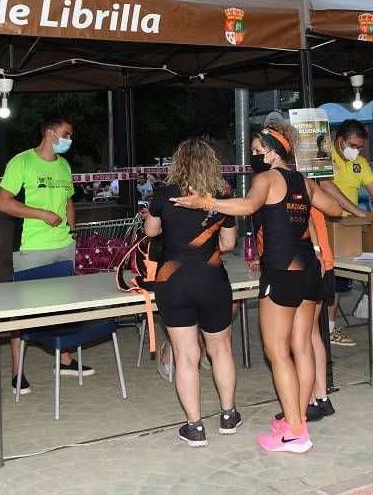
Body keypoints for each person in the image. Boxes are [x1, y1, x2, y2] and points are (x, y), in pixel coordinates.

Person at [173, 122, 341, 453]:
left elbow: (247, 207)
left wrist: (205, 202)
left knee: (277, 352)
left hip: (281, 273)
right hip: (309, 270)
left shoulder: (265, 179)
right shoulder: (303, 182)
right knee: (302, 347)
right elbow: (333, 209)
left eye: (257, 149)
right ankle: (300, 419)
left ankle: (295, 433)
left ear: (274, 150)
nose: (253, 154)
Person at [144, 138, 241, 447]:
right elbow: (228, 245)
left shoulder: (164, 194)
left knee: (186, 356)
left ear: (178, 163)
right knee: (221, 350)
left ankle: (195, 427)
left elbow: (150, 232)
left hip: (172, 281)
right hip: (212, 279)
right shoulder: (222, 196)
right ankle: (228, 416)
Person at [0, 115, 93, 395]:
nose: (69, 140)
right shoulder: (22, 162)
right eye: (66, 134)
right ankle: (17, 373)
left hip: (63, 247)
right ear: (50, 133)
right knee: (24, 312)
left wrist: (72, 231)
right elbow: (3, 203)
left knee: (65, 307)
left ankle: (64, 360)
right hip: (32, 247)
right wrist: (40, 214)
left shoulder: (64, 165)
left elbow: (68, 201)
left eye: (71, 135)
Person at [319, 120, 373, 342]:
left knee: (338, 281)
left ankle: (329, 329)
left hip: (348, 229)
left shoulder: (359, 162)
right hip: (323, 224)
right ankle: (318, 330)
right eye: (353, 145)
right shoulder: (323, 156)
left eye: (360, 147)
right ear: (340, 141)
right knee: (324, 278)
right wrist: (357, 211)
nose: (356, 150)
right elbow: (325, 185)